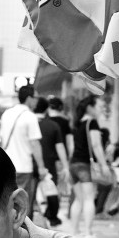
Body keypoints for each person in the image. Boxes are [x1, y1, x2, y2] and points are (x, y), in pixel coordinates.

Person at [0, 84, 48, 215]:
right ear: (30, 98)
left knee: (7, 202)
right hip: (23, 167)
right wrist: (42, 167)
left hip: (6, 166)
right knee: (22, 205)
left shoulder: (7, 113)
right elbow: (35, 143)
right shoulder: (29, 116)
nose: (37, 101)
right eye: (36, 97)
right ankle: (22, 232)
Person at [68, 94, 110, 238]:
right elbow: (96, 145)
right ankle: (88, 232)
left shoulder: (77, 123)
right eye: (99, 106)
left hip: (73, 164)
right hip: (85, 165)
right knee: (89, 198)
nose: (101, 109)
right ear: (90, 107)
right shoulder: (92, 123)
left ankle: (73, 231)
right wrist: (104, 165)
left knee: (78, 199)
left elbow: (72, 146)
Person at [34, 96, 68, 226]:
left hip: (30, 164)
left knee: (31, 193)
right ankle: (52, 217)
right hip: (49, 163)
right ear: (46, 109)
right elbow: (60, 147)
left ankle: (33, 218)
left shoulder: (29, 122)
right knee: (51, 191)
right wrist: (65, 166)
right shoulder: (53, 125)